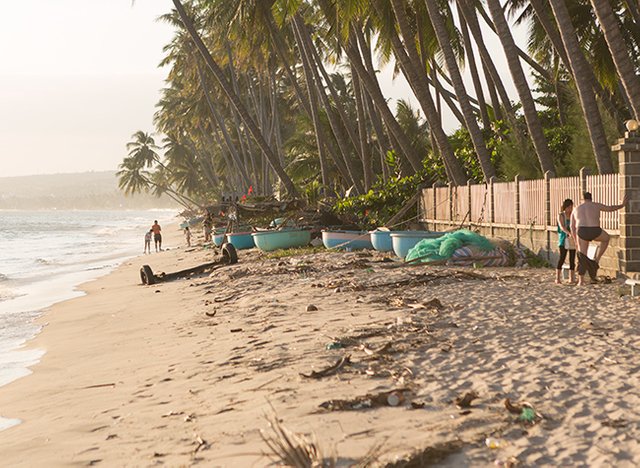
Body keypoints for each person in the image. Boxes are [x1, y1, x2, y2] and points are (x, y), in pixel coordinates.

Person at [570, 191, 628, 285]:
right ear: (591, 199)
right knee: (606, 238)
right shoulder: (596, 205)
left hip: (582, 231)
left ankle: (581, 281)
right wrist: (622, 205)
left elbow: (572, 226)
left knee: (582, 256)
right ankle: (597, 259)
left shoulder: (576, 209)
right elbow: (610, 208)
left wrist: (575, 239)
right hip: (595, 229)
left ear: (582, 199)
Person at [555, 199, 576, 284]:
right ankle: (557, 278)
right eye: (569, 207)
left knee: (572, 258)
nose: (570, 209)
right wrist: (568, 233)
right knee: (562, 258)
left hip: (572, 239)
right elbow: (562, 226)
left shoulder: (572, 215)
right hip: (563, 239)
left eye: (571, 207)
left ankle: (571, 278)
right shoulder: (561, 215)